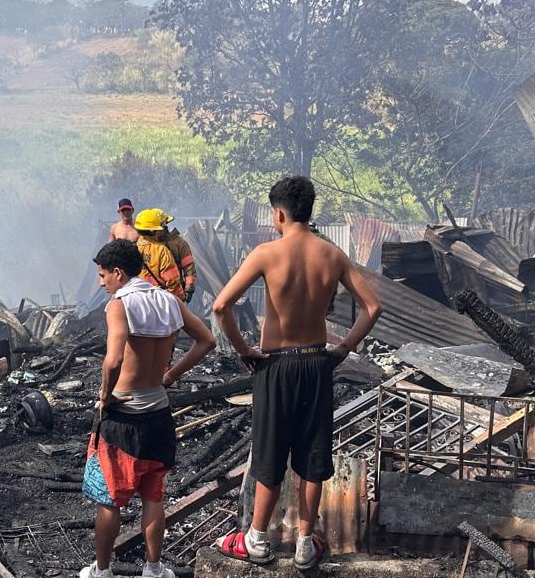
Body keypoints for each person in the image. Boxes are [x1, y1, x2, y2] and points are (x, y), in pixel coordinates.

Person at [211, 176, 381, 570]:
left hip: (276, 364)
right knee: (312, 455)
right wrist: (341, 350)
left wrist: (244, 351)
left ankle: (256, 538)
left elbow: (221, 307)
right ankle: (306, 543)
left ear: (280, 212)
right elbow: (373, 308)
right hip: (317, 363)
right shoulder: (332, 254)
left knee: (270, 453)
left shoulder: (266, 254)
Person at [81, 240, 217, 578]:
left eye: (102, 275)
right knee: (153, 497)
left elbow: (113, 360)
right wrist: (171, 374)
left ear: (118, 272)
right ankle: (154, 569)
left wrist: (104, 395)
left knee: (110, 499)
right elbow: (207, 341)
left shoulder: (118, 305)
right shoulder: (168, 299)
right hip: (159, 413)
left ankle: (102, 571)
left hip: (124, 418)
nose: (101, 282)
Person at [132, 209, 184, 300]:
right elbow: (173, 281)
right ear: (153, 231)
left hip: (138, 299)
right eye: (163, 226)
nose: (165, 229)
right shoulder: (161, 250)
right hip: (158, 301)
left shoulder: (135, 246)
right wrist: (180, 299)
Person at [157, 211, 197, 303]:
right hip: (153, 295)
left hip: (175, 293)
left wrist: (189, 289)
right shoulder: (148, 246)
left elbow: (189, 268)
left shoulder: (179, 243)